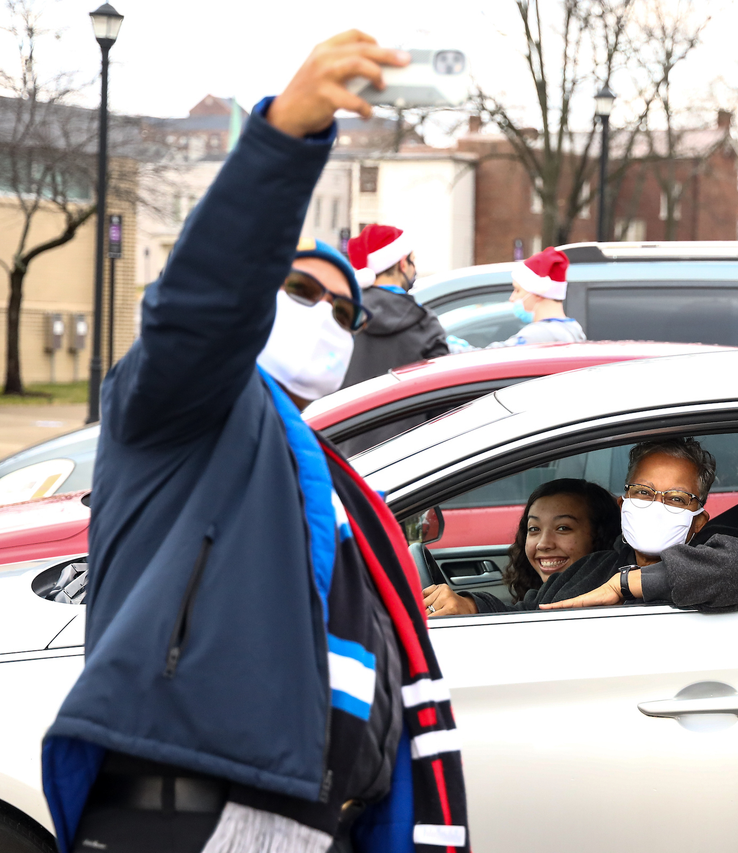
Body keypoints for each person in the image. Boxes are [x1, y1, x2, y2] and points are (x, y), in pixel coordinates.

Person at [42, 32, 468, 853]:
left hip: (314, 821)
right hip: (184, 812)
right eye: (299, 289)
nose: (326, 318)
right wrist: (283, 142)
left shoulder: (334, 482)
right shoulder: (185, 406)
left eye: (345, 312)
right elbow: (201, 300)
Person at [423, 438, 738, 616]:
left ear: (697, 519)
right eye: (643, 492)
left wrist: (627, 585)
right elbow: (528, 613)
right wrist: (469, 605)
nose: (656, 506)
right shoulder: (593, 567)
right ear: (624, 505)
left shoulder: (712, 551)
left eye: (676, 498)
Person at [423, 478, 620, 616]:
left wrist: (469, 606)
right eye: (534, 529)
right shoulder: (551, 592)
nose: (543, 544)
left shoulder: (595, 585)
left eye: (563, 528)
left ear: (599, 534)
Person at [340, 223, 449, 389]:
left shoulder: (340, 315)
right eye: (413, 260)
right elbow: (441, 389)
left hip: (345, 407)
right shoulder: (424, 323)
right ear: (403, 263)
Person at [447, 247, 586, 351]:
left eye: (518, 290)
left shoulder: (539, 335)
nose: (512, 298)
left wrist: (448, 346)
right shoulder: (573, 329)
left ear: (538, 294)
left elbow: (488, 360)